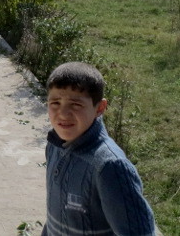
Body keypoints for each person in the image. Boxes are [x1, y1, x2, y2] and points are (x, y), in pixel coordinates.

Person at [42, 62, 156, 236]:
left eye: (76, 104)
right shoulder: (54, 145)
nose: (63, 114)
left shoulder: (109, 167)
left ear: (100, 108)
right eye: (55, 103)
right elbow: (54, 216)